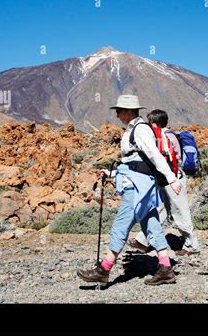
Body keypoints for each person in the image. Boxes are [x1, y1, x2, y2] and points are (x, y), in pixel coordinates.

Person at [77, 95, 182, 287]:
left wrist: (171, 178)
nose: (117, 114)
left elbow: (153, 155)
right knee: (151, 225)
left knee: (121, 224)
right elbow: (135, 162)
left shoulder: (140, 129)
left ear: (129, 111)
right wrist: (112, 173)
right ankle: (166, 268)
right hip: (139, 184)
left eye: (119, 110)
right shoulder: (133, 130)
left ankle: (104, 269)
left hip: (138, 188)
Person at [127, 109, 201, 256]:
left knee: (180, 211)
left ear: (154, 123)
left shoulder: (166, 137)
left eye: (150, 122)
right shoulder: (160, 136)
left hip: (174, 178)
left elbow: (168, 159)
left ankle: (192, 245)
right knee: (159, 210)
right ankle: (143, 240)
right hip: (164, 179)